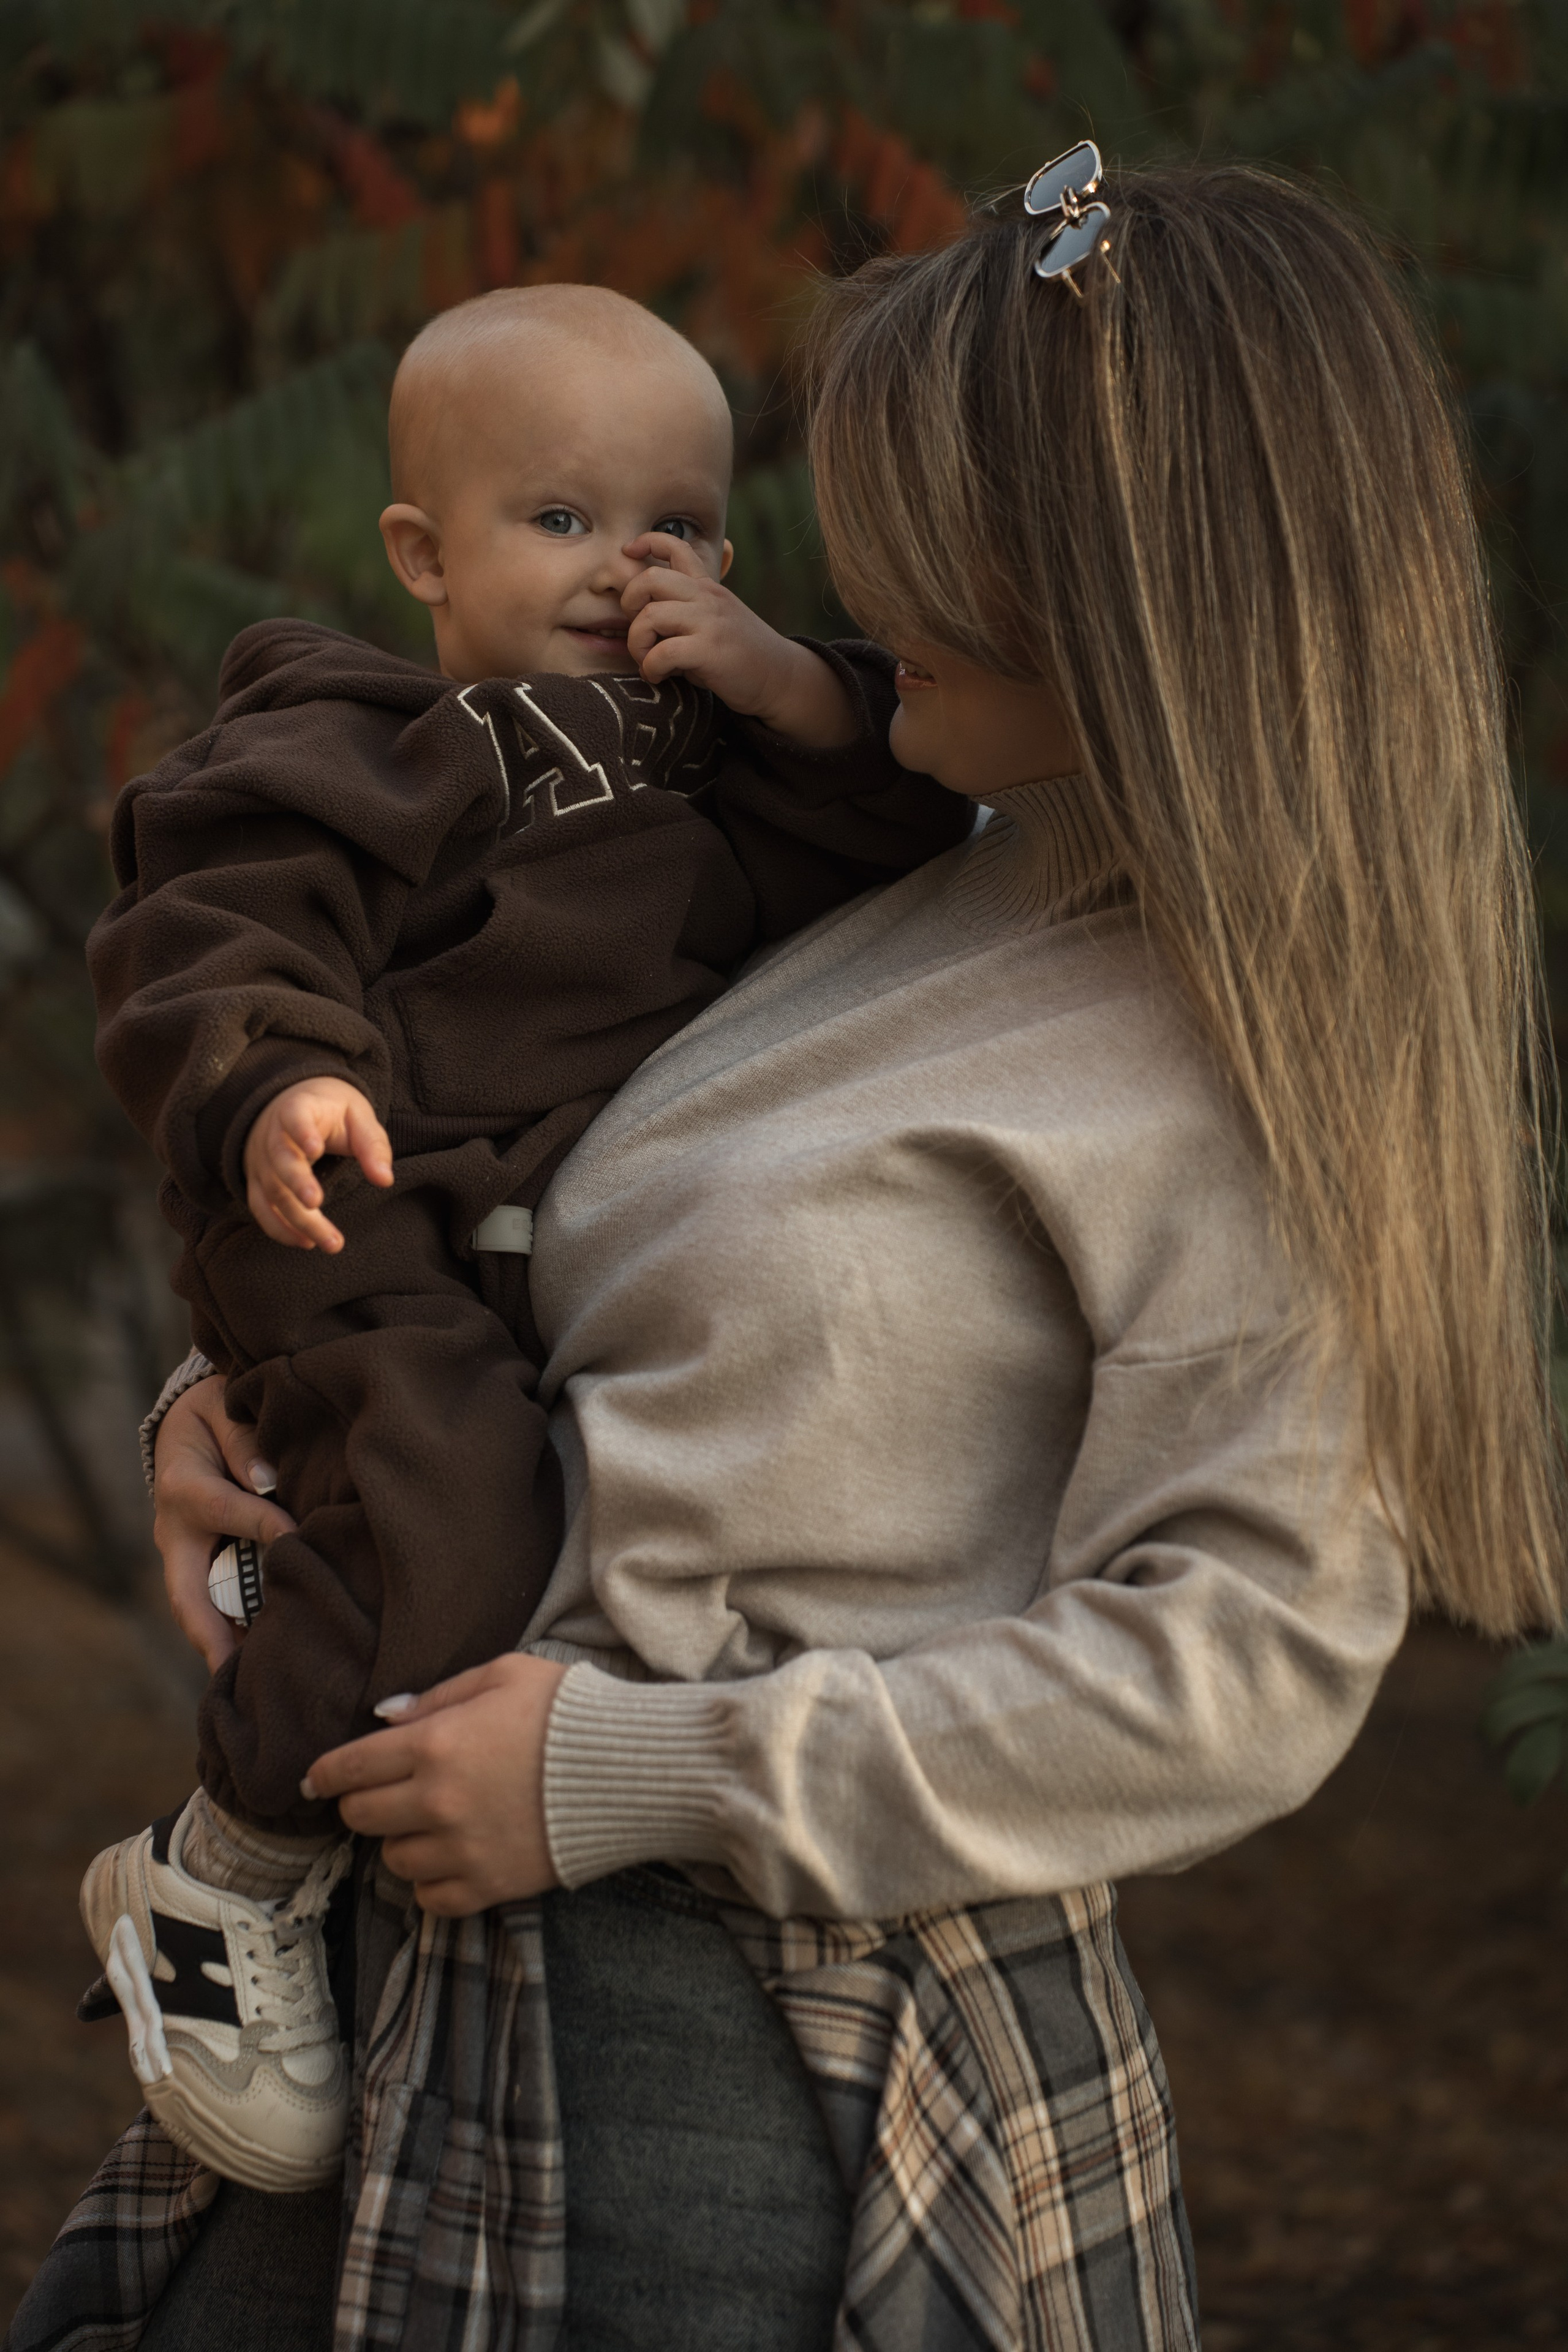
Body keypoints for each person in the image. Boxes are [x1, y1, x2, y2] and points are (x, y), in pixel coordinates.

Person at [12, 153, 1564, 2352]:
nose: (843, 584)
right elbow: (531, 1198)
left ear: (1130, 580)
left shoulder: (1230, 1063)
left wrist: (640, 1773)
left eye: (927, 541)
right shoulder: (857, 866)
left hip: (762, 2048)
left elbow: (1252, 1659)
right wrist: (248, 1394)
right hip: (407, 1984)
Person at [75, 282, 968, 2194]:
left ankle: (301, 1753)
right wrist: (274, 1084)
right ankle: (218, 1872)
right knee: (449, 1508)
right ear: (423, 552)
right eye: (560, 518)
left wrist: (798, 691)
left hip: (543, 1243)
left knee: (503, 1512)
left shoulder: (730, 769)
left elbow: (903, 835)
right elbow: (205, 932)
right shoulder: (356, 741)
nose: (624, 569)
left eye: (681, 527)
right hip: (352, 1202)